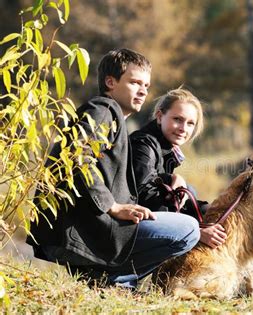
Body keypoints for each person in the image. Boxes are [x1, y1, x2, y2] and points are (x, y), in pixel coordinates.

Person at [26, 49, 200, 289]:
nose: (142, 91)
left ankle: (113, 281)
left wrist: (169, 179)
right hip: (90, 229)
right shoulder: (103, 110)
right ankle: (111, 280)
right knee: (189, 229)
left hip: (93, 227)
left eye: (146, 86)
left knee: (186, 218)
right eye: (135, 82)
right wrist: (112, 206)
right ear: (111, 82)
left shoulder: (113, 117)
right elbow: (76, 158)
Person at [130, 88, 227, 249]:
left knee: (195, 197)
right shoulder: (143, 145)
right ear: (160, 117)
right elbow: (145, 198)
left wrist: (213, 211)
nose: (183, 128)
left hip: (146, 220)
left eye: (190, 123)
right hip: (128, 229)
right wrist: (197, 231)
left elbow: (165, 192)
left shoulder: (166, 149)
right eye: (177, 119)